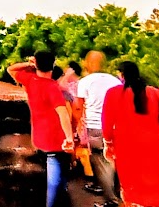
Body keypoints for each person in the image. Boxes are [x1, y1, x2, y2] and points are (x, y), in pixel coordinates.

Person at [102, 61, 159, 207]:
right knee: (157, 188)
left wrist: (108, 143)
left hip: (127, 147)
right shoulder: (154, 92)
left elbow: (106, 122)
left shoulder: (113, 93)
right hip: (156, 145)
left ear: (122, 75)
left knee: (133, 188)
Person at [9, 51, 76, 207]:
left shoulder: (30, 80)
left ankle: (60, 195)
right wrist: (69, 138)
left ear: (36, 63)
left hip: (39, 136)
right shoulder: (52, 87)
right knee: (54, 176)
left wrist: (29, 64)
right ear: (53, 64)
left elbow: (11, 70)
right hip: (55, 137)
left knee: (56, 168)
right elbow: (63, 114)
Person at [75, 51, 122, 206]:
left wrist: (78, 126)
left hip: (94, 127)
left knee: (101, 164)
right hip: (116, 127)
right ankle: (119, 195)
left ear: (89, 63)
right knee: (114, 162)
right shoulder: (115, 81)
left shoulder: (85, 81)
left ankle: (111, 201)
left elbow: (78, 107)